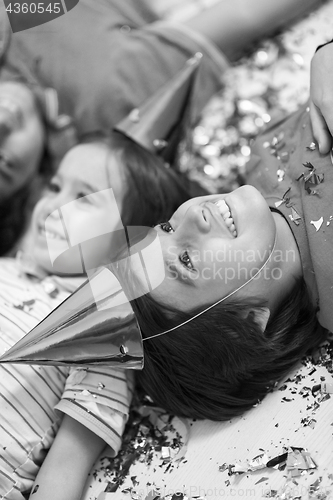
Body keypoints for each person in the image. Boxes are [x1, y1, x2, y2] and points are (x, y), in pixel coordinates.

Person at [0, 0, 324, 255]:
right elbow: (245, 14)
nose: (1, 126)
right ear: (33, 184)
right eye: (5, 163)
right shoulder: (107, 94)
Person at [129, 46, 333, 422]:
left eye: (167, 228)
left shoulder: (259, 159)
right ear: (247, 325)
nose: (193, 216)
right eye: (186, 260)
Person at [0, 127, 195, 500]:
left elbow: (65, 469)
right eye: (55, 187)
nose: (53, 204)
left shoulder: (105, 331)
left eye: (83, 198)